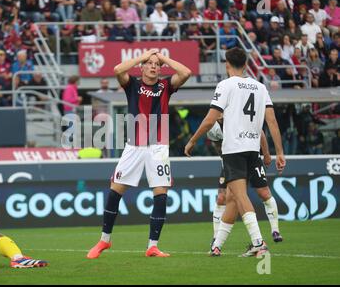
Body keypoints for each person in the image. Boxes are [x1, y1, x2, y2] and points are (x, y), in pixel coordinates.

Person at [87, 49, 191, 259]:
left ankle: (152, 246)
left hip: (158, 148)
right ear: (142, 66)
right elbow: (117, 69)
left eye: (156, 64)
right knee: (115, 191)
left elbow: (186, 72)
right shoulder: (132, 84)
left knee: (161, 194)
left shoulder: (165, 86)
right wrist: (143, 56)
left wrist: (163, 58)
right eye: (149, 63)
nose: (153, 66)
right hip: (134, 146)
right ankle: (104, 240)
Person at [184, 47, 285, 257]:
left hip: (234, 150)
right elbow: (272, 121)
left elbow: (211, 119)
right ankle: (216, 245)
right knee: (231, 198)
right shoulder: (260, 87)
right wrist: (280, 152)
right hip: (252, 150)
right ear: (246, 64)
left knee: (240, 196)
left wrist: (192, 141)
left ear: (227, 64)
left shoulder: (226, 85)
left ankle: (259, 243)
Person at [207, 118, 283, 249]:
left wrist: (266, 153)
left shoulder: (238, 115)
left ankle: (275, 230)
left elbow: (260, 131)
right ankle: (216, 239)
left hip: (251, 157)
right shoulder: (213, 128)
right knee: (223, 198)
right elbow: (218, 147)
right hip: (231, 161)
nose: (219, 114)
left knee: (263, 193)